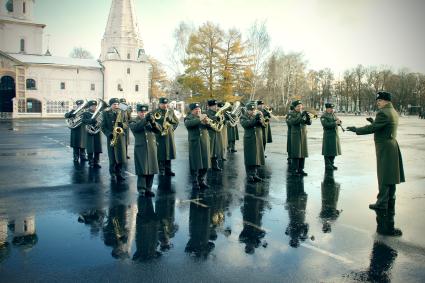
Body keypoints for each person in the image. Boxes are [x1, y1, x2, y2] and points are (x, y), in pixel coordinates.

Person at [347, 91, 405, 213]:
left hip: (385, 147)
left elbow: (373, 129)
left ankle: (382, 203)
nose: (377, 103)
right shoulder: (393, 111)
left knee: (384, 175)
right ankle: (390, 199)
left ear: (386, 101)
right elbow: (382, 126)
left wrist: (356, 129)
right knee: (391, 175)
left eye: (379, 101)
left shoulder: (383, 113)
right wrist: (374, 121)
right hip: (392, 145)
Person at [129, 104, 160, 197]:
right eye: (141, 112)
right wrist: (145, 119)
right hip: (141, 147)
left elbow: (159, 130)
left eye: (145, 112)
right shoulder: (133, 121)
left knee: (152, 168)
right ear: (138, 112)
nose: (143, 113)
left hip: (151, 147)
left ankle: (148, 188)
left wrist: (153, 122)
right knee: (142, 169)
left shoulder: (151, 120)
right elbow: (136, 128)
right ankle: (141, 189)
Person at [184, 102, 211, 189]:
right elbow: (189, 124)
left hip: (204, 142)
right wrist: (200, 119)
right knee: (195, 163)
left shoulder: (203, 116)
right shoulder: (188, 118)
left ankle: (201, 180)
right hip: (195, 142)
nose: (198, 110)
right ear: (192, 110)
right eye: (196, 109)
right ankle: (195, 182)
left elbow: (210, 127)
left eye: (199, 109)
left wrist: (208, 123)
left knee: (205, 162)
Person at [101, 98, 128, 182]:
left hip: (120, 138)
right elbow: (103, 126)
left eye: (117, 104)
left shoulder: (122, 112)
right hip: (111, 138)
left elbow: (127, 124)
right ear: (111, 105)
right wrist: (109, 134)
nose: (116, 106)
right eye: (114, 104)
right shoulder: (105, 113)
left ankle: (119, 173)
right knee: (112, 157)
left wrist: (122, 125)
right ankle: (112, 173)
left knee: (121, 157)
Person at [240, 103, 265, 182]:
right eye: (251, 110)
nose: (253, 111)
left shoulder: (256, 115)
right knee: (249, 157)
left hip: (257, 138)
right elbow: (246, 124)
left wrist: (261, 121)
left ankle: (254, 174)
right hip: (249, 139)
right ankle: (249, 175)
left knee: (256, 157)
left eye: (254, 110)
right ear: (247, 110)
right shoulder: (243, 117)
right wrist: (255, 119)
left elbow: (264, 125)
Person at [154, 97, 179, 176]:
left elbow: (176, 121)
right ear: (159, 104)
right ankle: (161, 170)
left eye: (166, 104)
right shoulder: (155, 112)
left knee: (169, 151)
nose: (164, 105)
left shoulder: (170, 111)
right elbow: (152, 123)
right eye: (162, 104)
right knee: (161, 152)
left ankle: (168, 169)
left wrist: (172, 129)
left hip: (169, 135)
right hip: (159, 134)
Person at [287, 100, 312, 176]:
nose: (300, 107)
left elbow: (309, 123)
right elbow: (292, 122)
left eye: (301, 106)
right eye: (298, 106)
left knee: (303, 153)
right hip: (295, 135)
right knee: (296, 153)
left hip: (303, 135)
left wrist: (308, 118)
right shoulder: (291, 114)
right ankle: (294, 170)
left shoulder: (302, 113)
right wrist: (301, 116)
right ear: (294, 107)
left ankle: (301, 169)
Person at [81, 100, 102, 169]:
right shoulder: (86, 113)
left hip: (97, 132)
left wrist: (99, 122)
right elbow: (83, 120)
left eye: (95, 106)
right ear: (89, 106)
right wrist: (91, 120)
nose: (94, 107)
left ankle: (96, 162)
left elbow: (102, 121)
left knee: (97, 147)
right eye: (92, 106)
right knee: (90, 147)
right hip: (89, 132)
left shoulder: (98, 113)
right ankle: (90, 161)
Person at [320, 103, 341, 170]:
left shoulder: (333, 114)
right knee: (327, 151)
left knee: (334, 151)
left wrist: (339, 122)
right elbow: (326, 125)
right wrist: (335, 123)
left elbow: (337, 121)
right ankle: (328, 165)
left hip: (334, 135)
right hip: (328, 135)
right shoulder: (324, 116)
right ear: (327, 108)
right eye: (330, 108)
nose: (332, 109)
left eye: (332, 108)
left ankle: (331, 163)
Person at [206, 99, 222, 171]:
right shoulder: (207, 113)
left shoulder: (218, 112)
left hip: (216, 133)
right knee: (210, 150)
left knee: (215, 149)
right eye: (213, 105)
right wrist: (216, 118)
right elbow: (208, 119)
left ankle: (215, 165)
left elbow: (221, 121)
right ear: (209, 106)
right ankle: (208, 165)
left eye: (216, 105)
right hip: (210, 133)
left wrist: (222, 119)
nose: (215, 107)